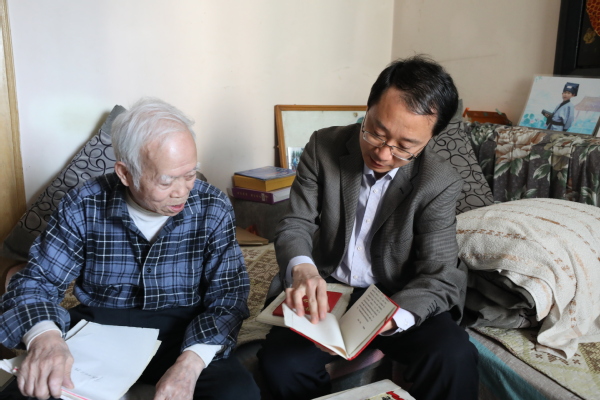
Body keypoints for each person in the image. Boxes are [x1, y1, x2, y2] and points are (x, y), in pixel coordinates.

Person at [0, 98, 260, 400]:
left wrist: (191, 363)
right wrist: (45, 338)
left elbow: (229, 295)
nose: (182, 191)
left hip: (184, 332)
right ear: (125, 173)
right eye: (166, 181)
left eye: (190, 174)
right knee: (27, 392)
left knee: (237, 392)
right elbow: (35, 282)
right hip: (99, 328)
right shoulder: (84, 203)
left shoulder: (212, 206)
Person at [258, 56, 479, 400]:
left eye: (404, 147)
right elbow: (296, 222)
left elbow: (439, 272)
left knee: (454, 357)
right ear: (368, 107)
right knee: (282, 364)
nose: (384, 154)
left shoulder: (439, 181)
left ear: (429, 139)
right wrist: (303, 269)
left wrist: (389, 319)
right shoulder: (322, 146)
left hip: (397, 295)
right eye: (376, 132)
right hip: (328, 289)